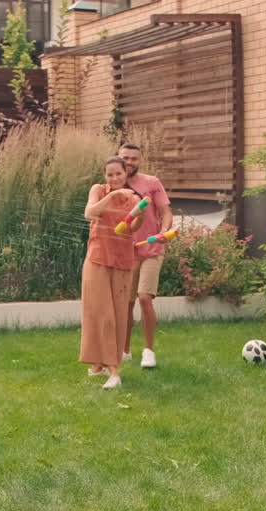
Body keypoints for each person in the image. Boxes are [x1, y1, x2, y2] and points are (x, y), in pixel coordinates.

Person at [81, 156, 142, 389]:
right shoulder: (98, 190)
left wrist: (141, 215)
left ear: (126, 174)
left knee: (116, 314)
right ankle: (111, 370)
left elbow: (132, 228)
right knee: (99, 311)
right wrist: (111, 196)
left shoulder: (134, 199)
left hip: (122, 260)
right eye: (110, 174)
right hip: (97, 258)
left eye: (118, 173)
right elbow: (90, 213)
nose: (114, 178)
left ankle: (102, 365)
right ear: (105, 176)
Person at [118, 143, 173, 369]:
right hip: (126, 253)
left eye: (134, 159)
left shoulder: (151, 183)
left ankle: (149, 351)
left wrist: (163, 232)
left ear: (139, 161)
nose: (130, 162)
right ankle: (125, 351)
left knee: (143, 297)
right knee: (126, 304)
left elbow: (166, 212)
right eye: (126, 158)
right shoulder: (113, 184)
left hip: (151, 250)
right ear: (118, 158)